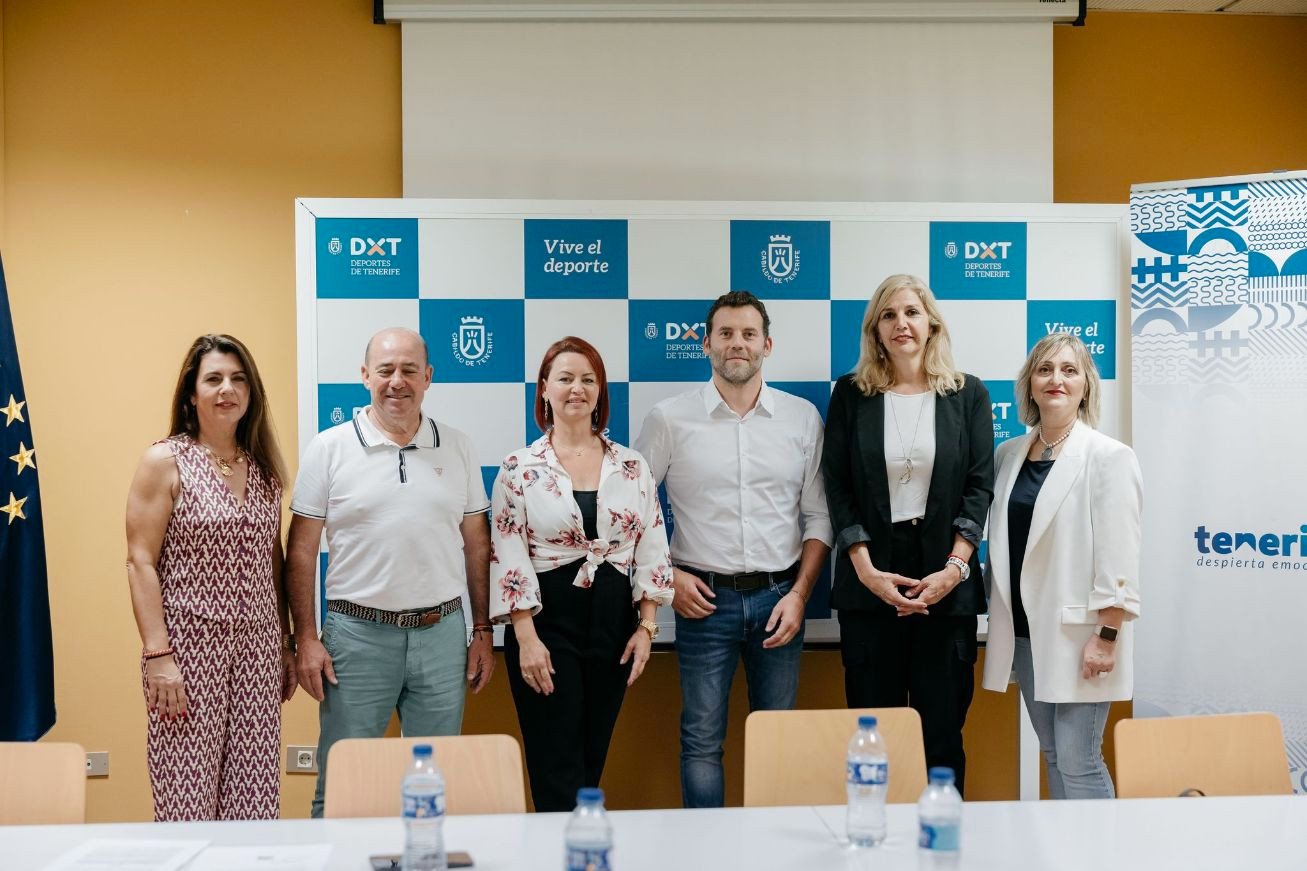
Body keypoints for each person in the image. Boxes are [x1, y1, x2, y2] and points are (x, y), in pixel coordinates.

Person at [285, 326, 494, 818]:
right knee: (342, 790)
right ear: (365, 376)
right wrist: (306, 638)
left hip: (442, 636)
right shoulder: (329, 447)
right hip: (356, 639)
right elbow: (300, 550)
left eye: (408, 370)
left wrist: (481, 628)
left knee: (434, 790)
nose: (396, 381)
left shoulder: (458, 447)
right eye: (385, 370)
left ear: (428, 377)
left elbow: (477, 544)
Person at [636, 291, 832, 808]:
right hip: (702, 601)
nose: (736, 344)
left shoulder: (802, 418)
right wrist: (668, 579)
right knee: (701, 742)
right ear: (705, 344)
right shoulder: (669, 419)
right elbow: (632, 514)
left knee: (778, 743)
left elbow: (819, 518)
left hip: (780, 601)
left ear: (767, 344)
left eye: (748, 334)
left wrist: (801, 594)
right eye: (725, 333)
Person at [822, 274, 993, 796]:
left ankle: (942, 846)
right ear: (876, 330)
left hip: (947, 583)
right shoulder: (851, 395)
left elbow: (978, 486)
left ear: (931, 323)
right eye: (889, 315)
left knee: (941, 735)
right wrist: (866, 569)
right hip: (870, 584)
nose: (902, 324)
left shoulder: (967, 394)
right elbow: (839, 486)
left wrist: (954, 568)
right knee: (878, 736)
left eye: (912, 312)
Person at [490, 336, 674, 812]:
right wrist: (525, 638)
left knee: (592, 760)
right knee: (557, 765)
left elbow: (652, 545)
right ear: (545, 390)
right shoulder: (518, 468)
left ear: (601, 392)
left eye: (588, 380)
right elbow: (508, 552)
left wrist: (647, 628)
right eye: (565, 378)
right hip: (546, 625)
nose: (577, 389)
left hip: (613, 626)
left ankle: (579, 853)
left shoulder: (632, 465)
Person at [125, 334, 295, 820]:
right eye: (214, 378)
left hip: (258, 652)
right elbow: (140, 561)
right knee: (186, 798)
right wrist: (158, 654)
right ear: (191, 393)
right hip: (185, 653)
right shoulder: (165, 461)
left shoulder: (264, 469)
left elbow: (273, 560)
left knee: (255, 795)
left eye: (239, 379)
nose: (228, 389)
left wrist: (284, 642)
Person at [981, 333, 1141, 799]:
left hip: (1084, 637)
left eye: (1069, 371)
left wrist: (1107, 637)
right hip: (1029, 636)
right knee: (1052, 753)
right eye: (1045, 370)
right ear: (1029, 385)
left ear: (1086, 386)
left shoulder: (1109, 457)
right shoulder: (1008, 454)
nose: (1056, 379)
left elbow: (1120, 556)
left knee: (1080, 760)